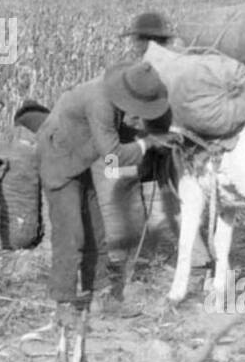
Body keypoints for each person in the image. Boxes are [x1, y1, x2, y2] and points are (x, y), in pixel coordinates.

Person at [36, 61, 172, 327]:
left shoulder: (112, 98)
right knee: (71, 232)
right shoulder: (100, 101)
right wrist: (146, 144)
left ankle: (99, 294)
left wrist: (151, 137)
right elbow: (113, 155)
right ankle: (63, 303)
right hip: (58, 159)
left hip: (82, 157)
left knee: (96, 230)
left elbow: (116, 135)